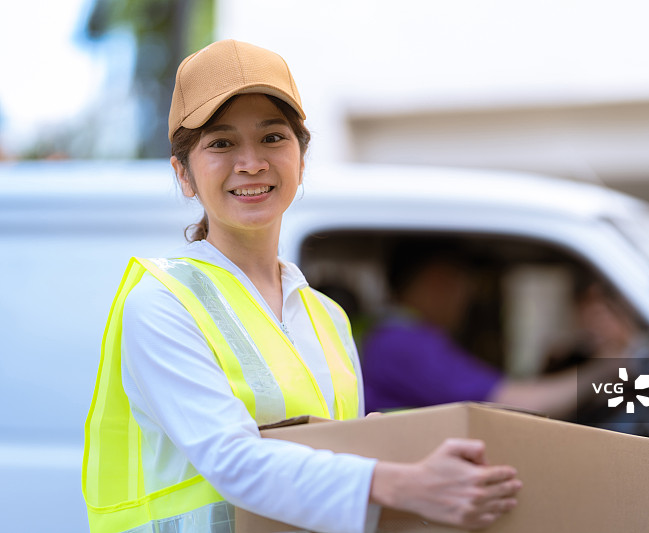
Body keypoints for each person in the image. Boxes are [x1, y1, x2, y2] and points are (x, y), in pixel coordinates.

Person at [82, 40, 521, 533]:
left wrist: (387, 444)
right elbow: (232, 459)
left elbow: (334, 458)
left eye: (273, 137)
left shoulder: (327, 317)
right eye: (221, 143)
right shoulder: (162, 303)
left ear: (302, 158)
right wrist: (399, 482)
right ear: (183, 174)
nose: (251, 163)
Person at [362, 240, 615, 417]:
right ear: (439, 281)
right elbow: (518, 405)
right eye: (465, 287)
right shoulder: (404, 342)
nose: (466, 302)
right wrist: (609, 368)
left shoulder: (392, 336)